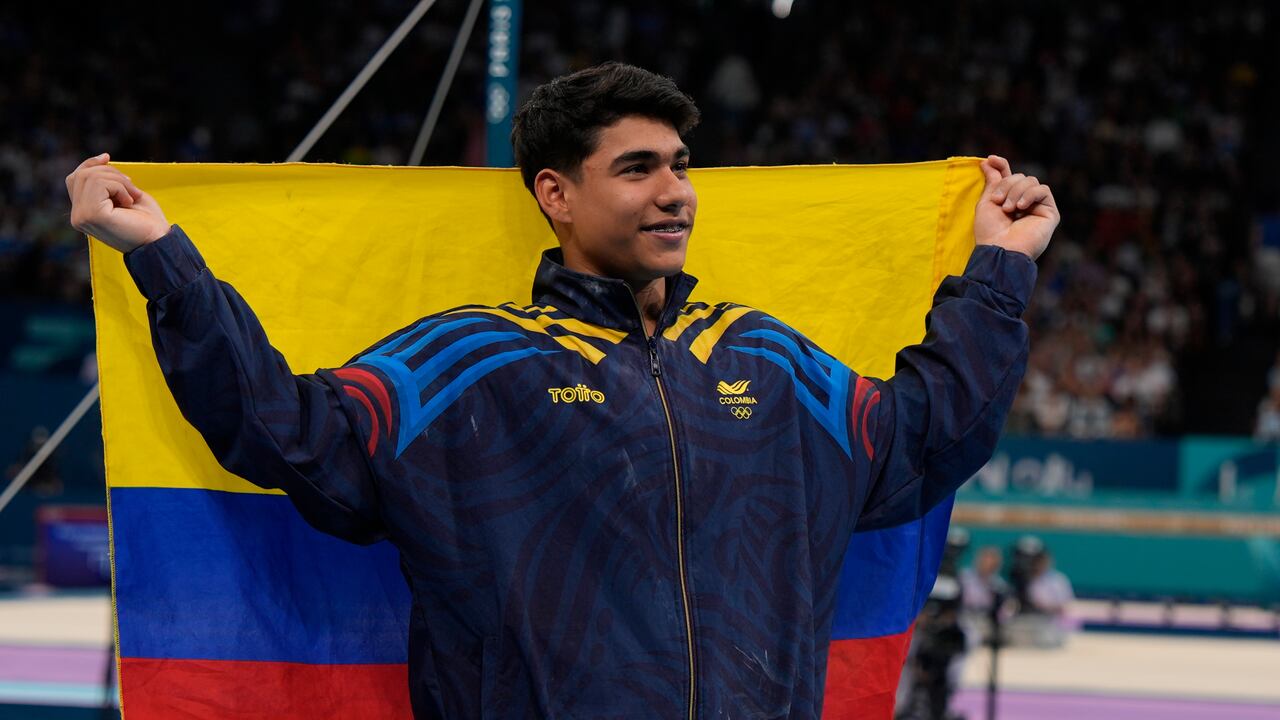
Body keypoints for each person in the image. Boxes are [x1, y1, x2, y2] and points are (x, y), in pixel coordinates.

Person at [65, 63, 1057, 719]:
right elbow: (284, 429)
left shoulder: (769, 362)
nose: (675, 191)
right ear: (556, 195)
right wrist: (162, 258)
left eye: (679, 164)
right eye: (636, 169)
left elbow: (928, 436)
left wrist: (1001, 267)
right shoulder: (469, 366)